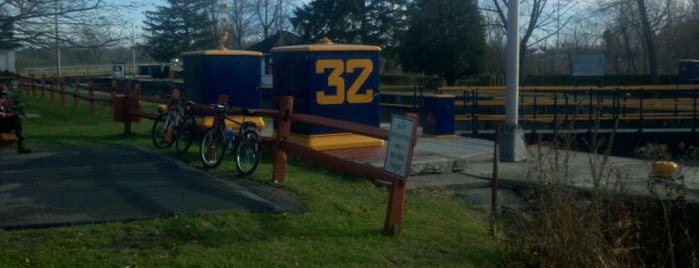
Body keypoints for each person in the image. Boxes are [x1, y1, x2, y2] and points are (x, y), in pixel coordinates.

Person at [0, 84, 31, 153]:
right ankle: (20, 136)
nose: (3, 96)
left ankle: (20, 144)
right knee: (15, 117)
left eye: (4, 94)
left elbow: (10, 110)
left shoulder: (6, 101)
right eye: (2, 94)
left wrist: (17, 107)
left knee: (16, 117)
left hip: (4, 122)